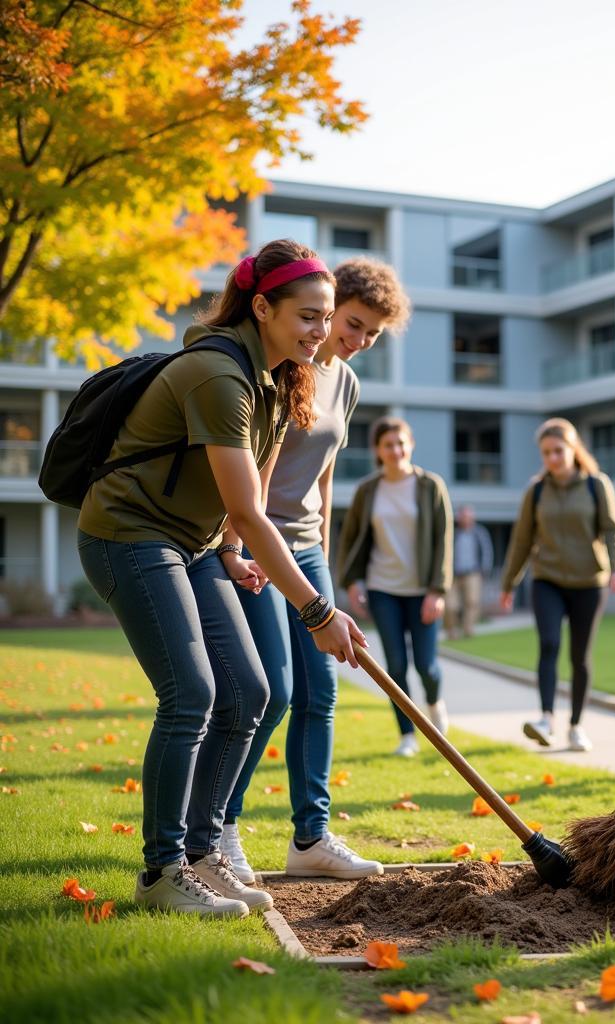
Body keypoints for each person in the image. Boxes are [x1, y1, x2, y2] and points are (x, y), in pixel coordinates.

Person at [76, 240, 367, 917]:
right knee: (193, 693)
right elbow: (246, 508)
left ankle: (206, 853)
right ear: (261, 306)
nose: (321, 332)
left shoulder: (278, 378)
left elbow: (248, 510)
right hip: (130, 533)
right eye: (308, 315)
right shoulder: (218, 374)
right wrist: (319, 614)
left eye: (327, 318)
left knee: (254, 692)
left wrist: (234, 551)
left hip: (197, 544)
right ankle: (162, 871)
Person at [220, 257, 411, 884]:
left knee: (321, 693)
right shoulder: (282, 368)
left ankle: (311, 837)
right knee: (270, 690)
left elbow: (325, 477)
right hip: (255, 545)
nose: (356, 342)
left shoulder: (346, 383)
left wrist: (322, 552)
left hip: (304, 547)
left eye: (372, 334)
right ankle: (219, 828)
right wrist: (235, 545)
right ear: (328, 311)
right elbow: (256, 465)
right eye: (351, 325)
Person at [499, 417, 615, 752]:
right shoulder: (537, 491)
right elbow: (522, 540)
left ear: (573, 450)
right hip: (548, 580)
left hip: (589, 582)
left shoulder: (596, 485)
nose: (553, 458)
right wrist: (509, 584)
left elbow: (614, 529)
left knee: (580, 655)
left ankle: (575, 726)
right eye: (546, 453)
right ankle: (546, 719)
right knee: (550, 644)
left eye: (558, 451)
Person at [338, 416, 453, 756]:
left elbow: (442, 540)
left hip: (422, 591)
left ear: (411, 445)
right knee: (396, 667)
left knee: (427, 666)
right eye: (388, 445)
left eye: (401, 443)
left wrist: (438, 590)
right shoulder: (367, 490)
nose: (396, 450)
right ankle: (407, 735)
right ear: (378, 450)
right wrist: (353, 582)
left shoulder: (431, 486)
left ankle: (434, 703)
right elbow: (352, 538)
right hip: (382, 588)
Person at [444, 504, 493, 639]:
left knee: (472, 602)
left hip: (473, 573)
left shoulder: (479, 533)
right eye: (463, 516)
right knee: (450, 605)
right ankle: (452, 632)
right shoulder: (453, 533)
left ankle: (468, 630)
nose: (465, 519)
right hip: (453, 575)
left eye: (468, 516)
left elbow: (487, 552)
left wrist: (484, 570)